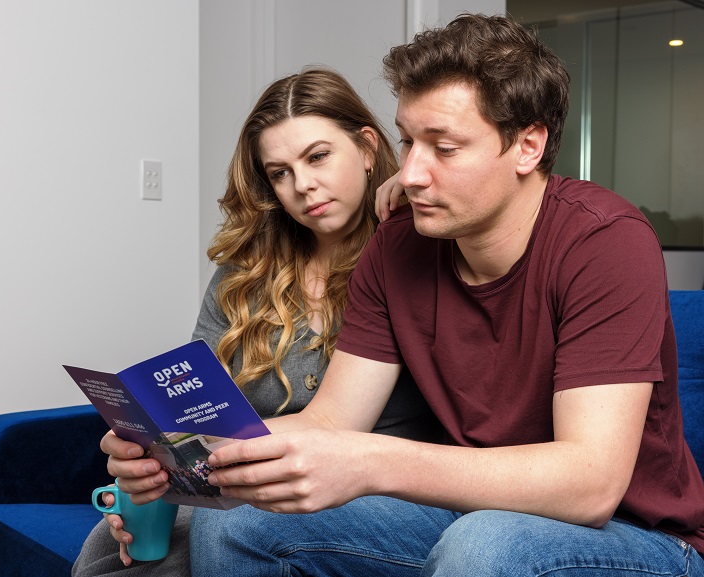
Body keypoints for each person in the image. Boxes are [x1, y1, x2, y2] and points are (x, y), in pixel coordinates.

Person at [155, 12, 703, 576]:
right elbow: (329, 424)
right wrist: (176, 449)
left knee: (489, 546)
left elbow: (591, 487)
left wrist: (371, 462)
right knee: (237, 521)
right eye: (409, 141)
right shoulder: (398, 245)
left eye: (443, 148)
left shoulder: (605, 241)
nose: (411, 173)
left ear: (528, 146)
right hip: (468, 513)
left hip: (632, 536)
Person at [73, 67, 441, 576]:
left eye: (318, 157)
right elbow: (196, 407)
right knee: (109, 550)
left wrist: (422, 181)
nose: (303, 186)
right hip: (246, 478)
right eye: (280, 172)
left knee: (231, 527)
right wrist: (148, 457)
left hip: (373, 492)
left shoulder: (417, 249)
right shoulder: (245, 272)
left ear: (368, 147)